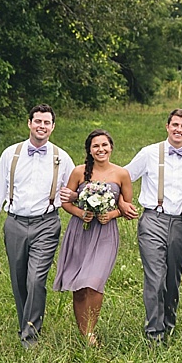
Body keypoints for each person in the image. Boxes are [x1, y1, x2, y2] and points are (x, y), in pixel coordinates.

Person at [0, 104, 74, 348]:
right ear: (29, 123)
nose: (41, 126)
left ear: (53, 127)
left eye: (47, 123)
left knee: (35, 279)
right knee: (19, 278)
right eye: (38, 121)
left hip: (46, 224)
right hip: (15, 223)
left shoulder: (61, 158)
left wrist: (76, 199)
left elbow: (73, 189)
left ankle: (30, 336)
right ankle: (26, 323)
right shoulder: (10, 154)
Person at [124, 108, 182, 341]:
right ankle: (154, 331)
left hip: (181, 223)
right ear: (167, 126)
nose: (179, 129)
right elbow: (125, 176)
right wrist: (122, 203)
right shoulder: (149, 153)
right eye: (175, 125)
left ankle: (169, 324)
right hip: (153, 219)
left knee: (173, 277)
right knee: (156, 276)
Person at [53, 129, 133, 346]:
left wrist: (112, 214)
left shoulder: (121, 174)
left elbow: (127, 206)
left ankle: (91, 331)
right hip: (81, 231)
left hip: (106, 234)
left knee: (94, 282)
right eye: (96, 146)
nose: (101, 149)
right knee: (79, 285)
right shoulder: (79, 172)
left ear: (111, 147)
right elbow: (66, 202)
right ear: (89, 150)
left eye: (104, 145)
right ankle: (84, 333)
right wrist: (82, 213)